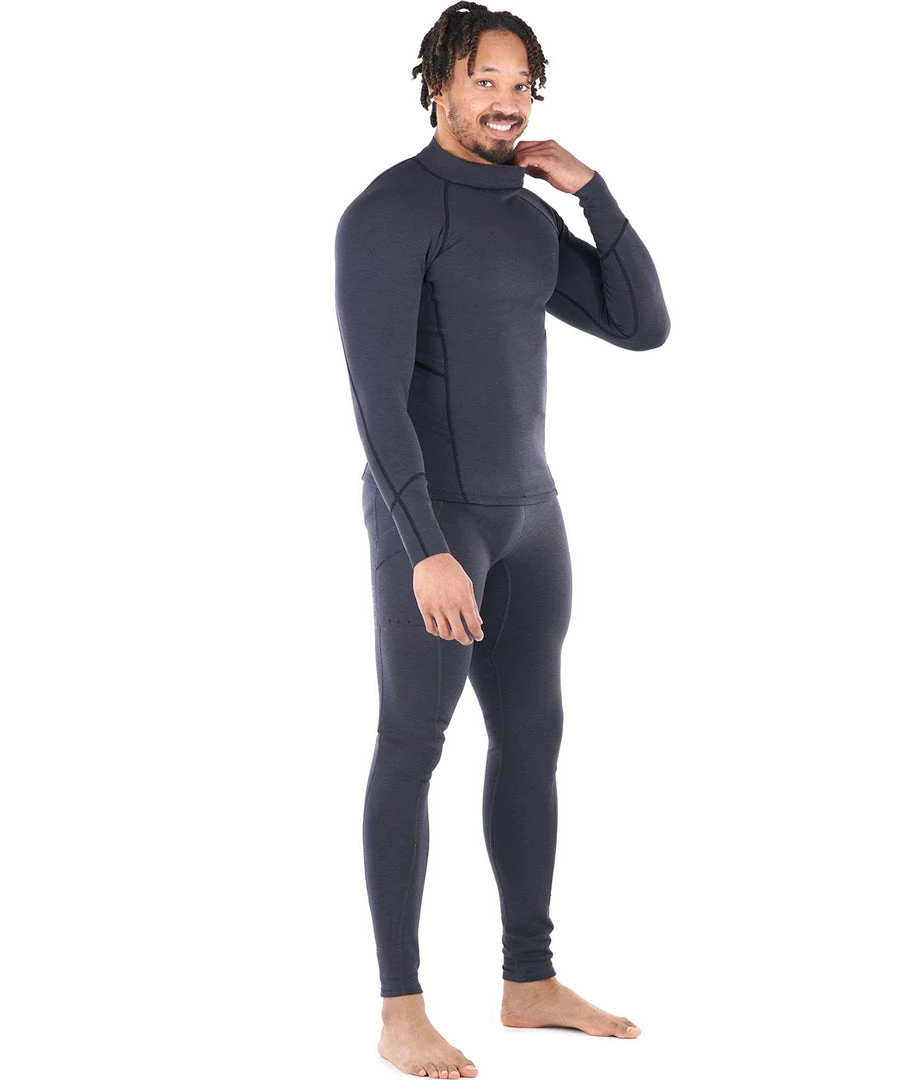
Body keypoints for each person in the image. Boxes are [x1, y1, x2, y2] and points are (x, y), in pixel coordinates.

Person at [333, 4, 670, 1076]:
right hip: (437, 527)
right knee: (412, 746)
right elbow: (376, 402)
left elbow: (642, 324)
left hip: (533, 518)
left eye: (522, 84)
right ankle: (400, 1010)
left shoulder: (525, 214)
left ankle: (530, 981)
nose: (507, 101)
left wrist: (592, 192)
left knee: (532, 740)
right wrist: (424, 545)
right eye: (486, 79)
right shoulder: (390, 212)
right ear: (438, 82)